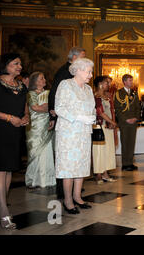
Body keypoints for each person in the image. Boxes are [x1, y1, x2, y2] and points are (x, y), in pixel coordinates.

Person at [0, 53, 29, 229]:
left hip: (16, 131)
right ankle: (3, 209)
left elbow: (25, 108)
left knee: (10, 167)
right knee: (0, 168)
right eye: (15, 63)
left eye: (20, 64)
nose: (19, 66)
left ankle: (1, 202)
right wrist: (8, 118)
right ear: (5, 65)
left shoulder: (21, 86)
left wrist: (26, 117)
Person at [54, 58, 95, 214]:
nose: (90, 75)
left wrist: (91, 117)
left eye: (91, 71)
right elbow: (59, 108)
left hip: (84, 132)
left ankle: (78, 197)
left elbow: (91, 108)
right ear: (77, 70)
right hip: (68, 132)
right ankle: (68, 200)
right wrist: (78, 117)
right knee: (69, 167)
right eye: (88, 71)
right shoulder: (66, 85)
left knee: (81, 165)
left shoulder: (88, 89)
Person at [48, 46, 86, 200]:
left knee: (77, 158)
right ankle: (64, 192)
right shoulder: (64, 72)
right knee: (65, 158)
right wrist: (52, 112)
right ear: (75, 57)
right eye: (83, 56)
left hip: (78, 123)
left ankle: (75, 191)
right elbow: (55, 93)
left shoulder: (79, 76)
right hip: (66, 121)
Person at [25, 72, 56, 189]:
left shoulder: (48, 93)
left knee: (46, 152)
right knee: (35, 152)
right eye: (41, 78)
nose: (44, 80)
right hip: (35, 127)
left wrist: (46, 107)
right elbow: (35, 107)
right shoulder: (30, 94)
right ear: (35, 82)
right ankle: (33, 179)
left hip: (47, 125)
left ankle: (47, 180)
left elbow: (49, 106)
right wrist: (49, 107)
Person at [93, 76, 118, 185]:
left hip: (108, 127)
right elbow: (100, 112)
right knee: (99, 150)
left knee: (108, 150)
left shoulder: (108, 96)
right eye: (106, 83)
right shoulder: (96, 96)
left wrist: (112, 122)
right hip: (99, 126)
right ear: (100, 84)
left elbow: (111, 111)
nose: (108, 85)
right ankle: (98, 174)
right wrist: (112, 122)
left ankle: (105, 173)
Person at [114, 74, 140, 171]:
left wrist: (136, 118)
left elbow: (138, 106)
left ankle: (130, 162)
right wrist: (125, 119)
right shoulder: (118, 93)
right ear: (124, 82)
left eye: (132, 80)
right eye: (129, 80)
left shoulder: (134, 93)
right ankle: (125, 164)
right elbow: (117, 109)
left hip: (133, 121)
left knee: (132, 142)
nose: (131, 82)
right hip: (124, 122)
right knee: (125, 142)